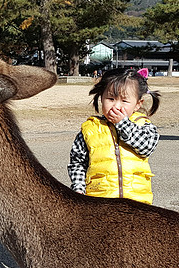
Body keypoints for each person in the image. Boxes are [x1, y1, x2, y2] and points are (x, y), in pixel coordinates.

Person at [68, 67, 161, 204]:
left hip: (136, 201)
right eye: (111, 99)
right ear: (101, 98)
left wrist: (122, 124)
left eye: (124, 101)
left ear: (137, 104)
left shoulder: (143, 125)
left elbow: (146, 147)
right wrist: (79, 188)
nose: (116, 106)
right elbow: (77, 163)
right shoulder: (90, 130)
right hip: (99, 200)